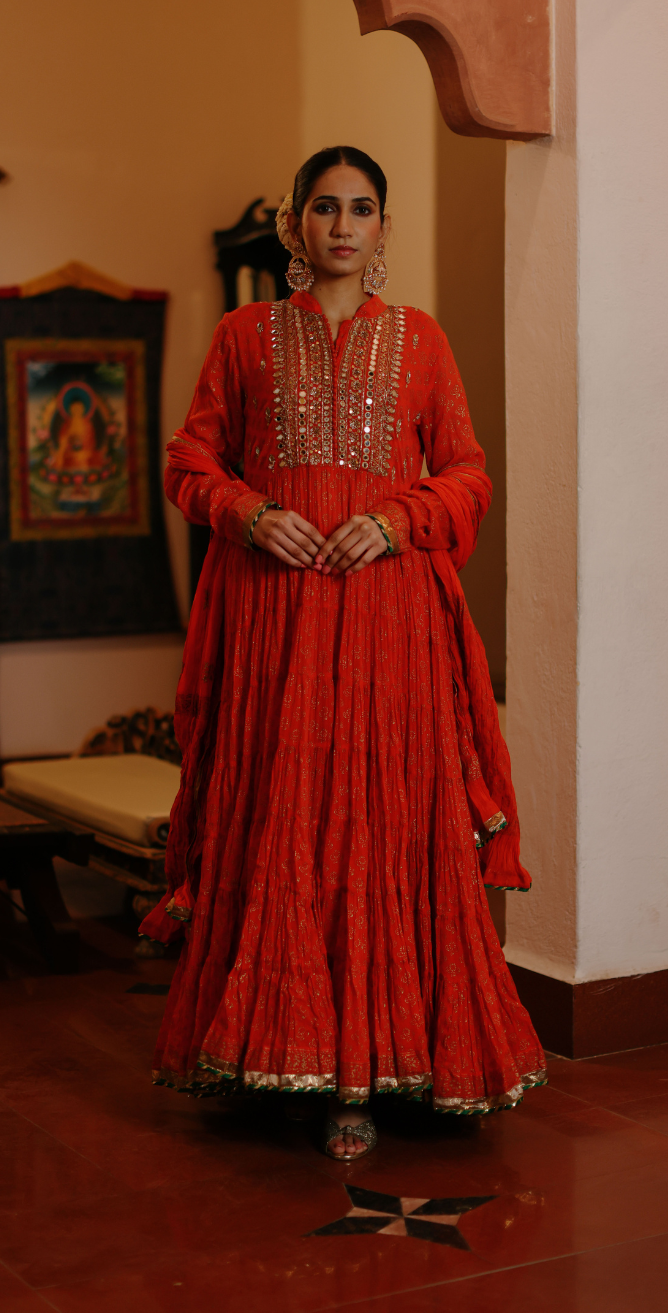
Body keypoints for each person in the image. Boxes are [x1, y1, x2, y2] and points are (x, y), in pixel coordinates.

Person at [141, 146, 546, 1159]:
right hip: (274, 613)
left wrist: (401, 521)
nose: (342, 226)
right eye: (324, 208)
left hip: (386, 617)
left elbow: (466, 473)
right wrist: (244, 511)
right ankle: (277, 1052)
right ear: (295, 225)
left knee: (377, 821)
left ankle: (375, 1069)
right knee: (281, 812)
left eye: (362, 209)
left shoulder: (419, 343)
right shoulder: (244, 336)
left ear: (383, 229)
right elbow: (189, 460)